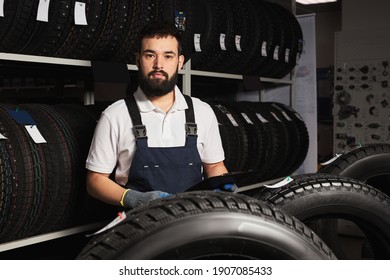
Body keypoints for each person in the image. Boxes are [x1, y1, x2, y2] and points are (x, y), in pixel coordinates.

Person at [85, 22, 231, 209]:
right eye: (150, 55)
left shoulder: (202, 111)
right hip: (140, 225)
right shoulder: (115, 115)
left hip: (193, 221)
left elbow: (214, 166)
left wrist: (223, 183)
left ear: (180, 61)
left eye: (168, 56)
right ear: (138, 60)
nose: (158, 65)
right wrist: (133, 198)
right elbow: (95, 180)